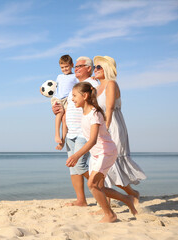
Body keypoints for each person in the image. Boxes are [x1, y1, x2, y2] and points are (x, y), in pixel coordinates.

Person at [66, 82, 137, 223]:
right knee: (98, 187)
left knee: (92, 184)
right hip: (96, 154)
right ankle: (127, 199)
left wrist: (76, 155)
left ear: (85, 96)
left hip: (106, 152)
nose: (72, 99)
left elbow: (92, 141)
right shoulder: (84, 113)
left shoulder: (95, 113)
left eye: (74, 95)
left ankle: (110, 215)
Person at [93, 56, 146, 204]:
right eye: (94, 67)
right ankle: (107, 205)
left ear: (107, 68)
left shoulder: (111, 84)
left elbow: (109, 108)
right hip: (101, 126)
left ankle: (132, 193)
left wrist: (106, 128)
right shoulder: (97, 88)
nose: (95, 69)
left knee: (111, 164)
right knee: (103, 166)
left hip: (112, 126)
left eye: (98, 67)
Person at [52, 56, 98, 206]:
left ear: (89, 68)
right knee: (73, 168)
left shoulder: (91, 84)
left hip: (83, 132)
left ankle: (101, 188)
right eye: (76, 66)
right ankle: (81, 200)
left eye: (79, 66)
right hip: (71, 132)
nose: (76, 69)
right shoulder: (73, 88)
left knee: (79, 165)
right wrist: (63, 135)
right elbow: (66, 113)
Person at [50, 55, 78, 149]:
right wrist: (42, 91)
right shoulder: (59, 76)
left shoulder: (75, 76)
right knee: (59, 113)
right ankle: (57, 134)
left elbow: (82, 83)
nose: (65, 69)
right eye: (62, 67)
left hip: (67, 99)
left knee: (65, 118)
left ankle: (62, 139)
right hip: (57, 98)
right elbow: (52, 87)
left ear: (72, 65)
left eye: (66, 66)